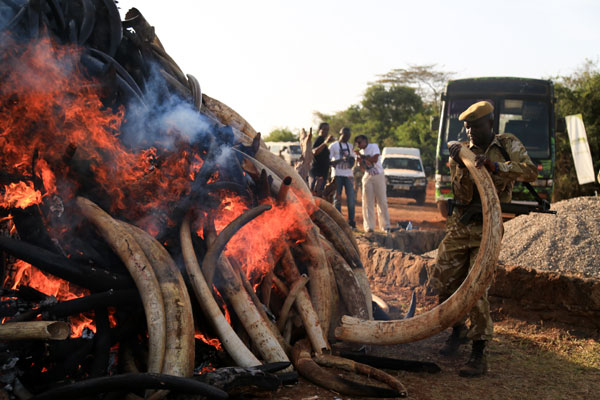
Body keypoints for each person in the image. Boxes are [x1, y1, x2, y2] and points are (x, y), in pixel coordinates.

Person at [429, 101, 537, 377]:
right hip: (460, 222)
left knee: (476, 288)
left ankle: (479, 352)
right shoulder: (463, 148)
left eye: (476, 126)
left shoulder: (506, 144)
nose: (471, 131)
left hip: (487, 226)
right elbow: (459, 184)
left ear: (490, 123)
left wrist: (496, 167)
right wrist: (455, 158)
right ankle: (457, 330)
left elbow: (530, 171)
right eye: (467, 126)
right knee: (443, 278)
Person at [354, 135, 390, 233]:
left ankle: (385, 226)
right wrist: (360, 161)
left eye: (359, 142)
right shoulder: (360, 153)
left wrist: (362, 157)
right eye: (357, 143)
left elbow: (374, 159)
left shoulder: (373, 146)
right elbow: (362, 169)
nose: (358, 145)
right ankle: (369, 227)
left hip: (378, 175)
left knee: (381, 200)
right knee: (367, 202)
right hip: (368, 176)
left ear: (365, 141)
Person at [329, 127, 356, 228]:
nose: (347, 138)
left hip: (348, 174)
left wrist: (351, 160)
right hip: (337, 174)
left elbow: (353, 161)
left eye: (348, 136)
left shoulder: (350, 146)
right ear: (340, 134)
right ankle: (338, 222)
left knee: (351, 198)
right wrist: (341, 159)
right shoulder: (333, 146)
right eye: (345, 136)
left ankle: (351, 222)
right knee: (337, 198)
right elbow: (330, 162)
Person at [309, 122, 334, 195]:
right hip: (317, 172)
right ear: (319, 130)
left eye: (327, 130)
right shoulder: (319, 139)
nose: (326, 132)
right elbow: (314, 152)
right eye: (324, 129)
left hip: (323, 172)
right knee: (316, 192)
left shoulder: (322, 140)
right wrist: (326, 142)